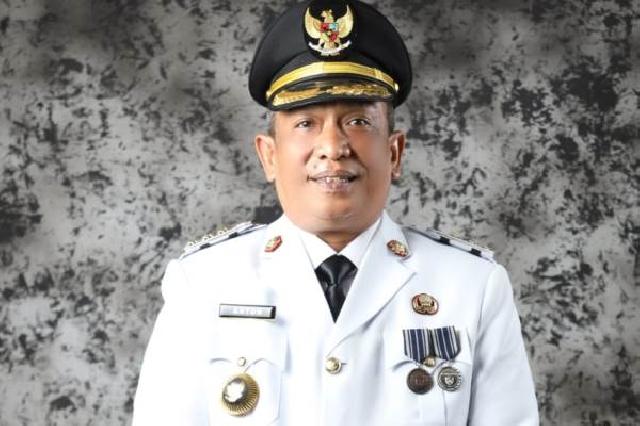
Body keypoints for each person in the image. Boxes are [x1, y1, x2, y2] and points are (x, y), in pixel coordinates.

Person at [132, 0, 539, 424]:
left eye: (358, 122)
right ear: (269, 156)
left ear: (395, 153)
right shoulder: (203, 284)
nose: (332, 147)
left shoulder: (471, 287)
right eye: (305, 123)